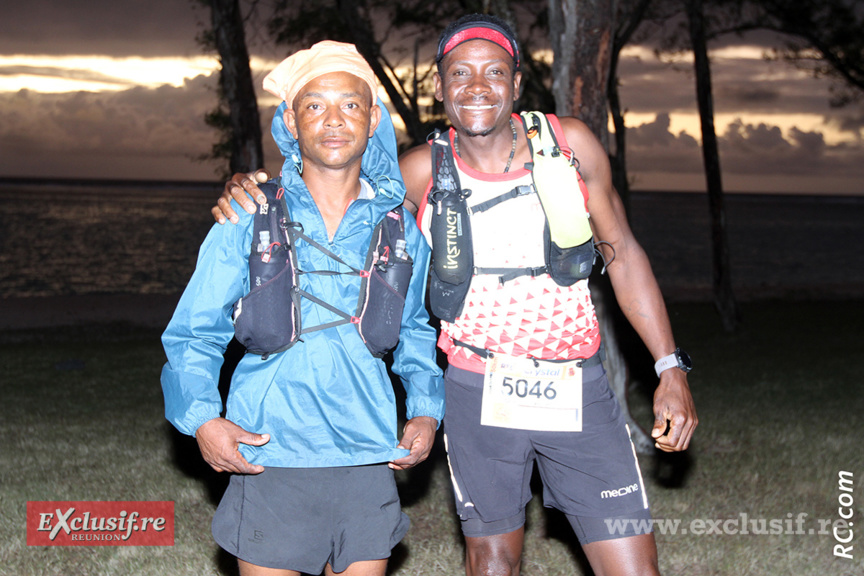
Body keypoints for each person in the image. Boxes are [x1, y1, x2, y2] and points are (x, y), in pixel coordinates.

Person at [213, 15, 697, 576]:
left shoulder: (571, 147)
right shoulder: (418, 171)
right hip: (476, 389)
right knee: (492, 561)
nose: (477, 86)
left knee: (634, 565)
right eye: (459, 73)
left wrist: (669, 366)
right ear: (439, 88)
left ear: (517, 84)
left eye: (495, 72)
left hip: (576, 385)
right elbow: (334, 192)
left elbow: (623, 252)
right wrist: (253, 191)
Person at [161, 41, 445, 576]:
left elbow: (413, 328)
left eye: (350, 104)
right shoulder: (249, 213)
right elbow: (193, 333)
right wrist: (202, 419)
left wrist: (427, 410)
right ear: (290, 120)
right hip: (269, 451)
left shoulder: (401, 228)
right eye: (315, 105)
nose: (334, 120)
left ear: (373, 117)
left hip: (368, 452)